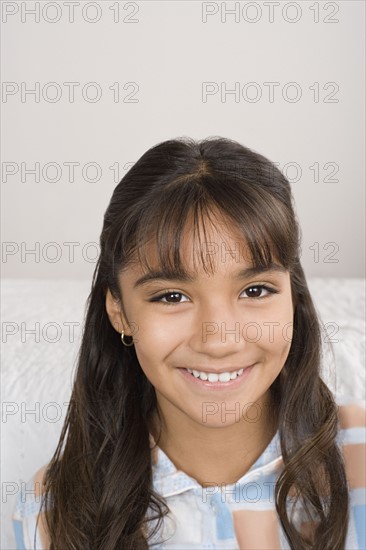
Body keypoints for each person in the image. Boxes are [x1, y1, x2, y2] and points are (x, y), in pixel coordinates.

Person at [12, 137, 366, 549]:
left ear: (293, 297)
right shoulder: (56, 509)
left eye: (255, 291)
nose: (219, 341)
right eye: (172, 297)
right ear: (120, 312)